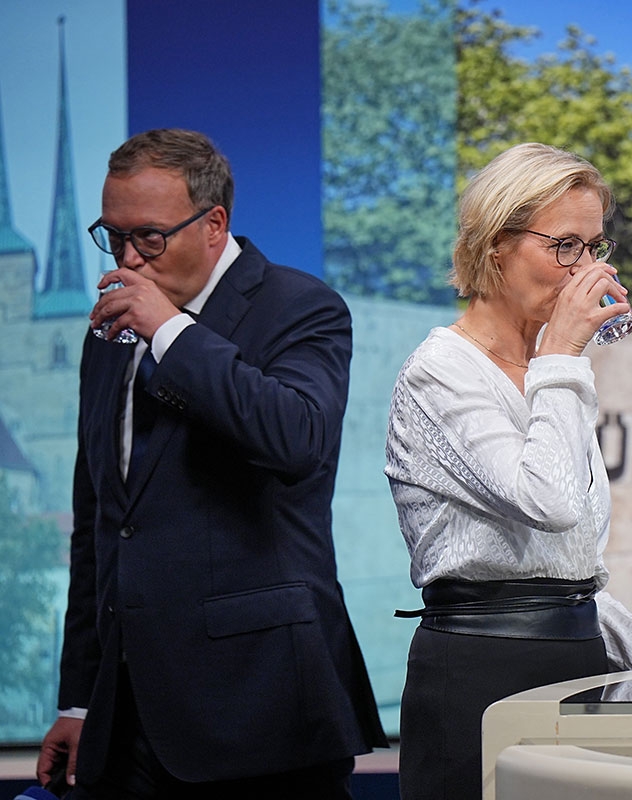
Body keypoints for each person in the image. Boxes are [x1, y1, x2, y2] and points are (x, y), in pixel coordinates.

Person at [385, 142, 632, 799]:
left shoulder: (550, 374)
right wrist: (563, 352)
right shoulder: (440, 372)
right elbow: (550, 503)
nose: (584, 270)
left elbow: (564, 575)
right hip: (480, 681)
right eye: (565, 246)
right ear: (496, 243)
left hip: (573, 671)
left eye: (593, 248)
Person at [36, 129, 387, 799]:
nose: (127, 258)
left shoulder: (300, 307)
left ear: (214, 223)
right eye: (111, 236)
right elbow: (100, 527)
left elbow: (296, 438)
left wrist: (171, 330)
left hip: (260, 711)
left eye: (148, 237)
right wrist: (80, 700)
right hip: (127, 722)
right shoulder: (108, 333)